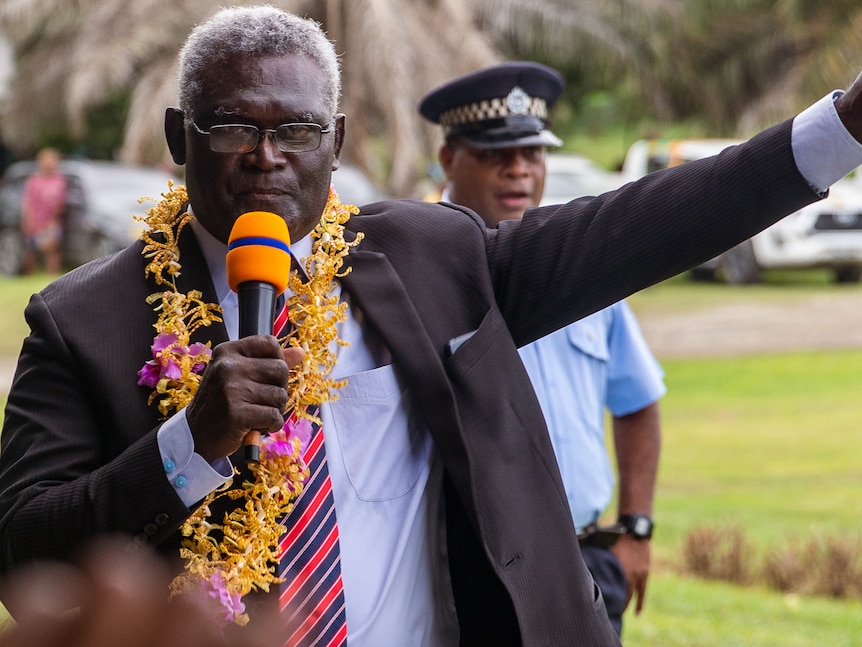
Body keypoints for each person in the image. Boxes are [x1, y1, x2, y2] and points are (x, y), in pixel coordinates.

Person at [2, 5, 862, 646]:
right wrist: (192, 441)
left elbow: (645, 223)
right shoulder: (82, 323)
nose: (267, 156)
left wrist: (842, 129)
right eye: (234, 127)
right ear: (177, 134)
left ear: (334, 142)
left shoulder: (433, 255)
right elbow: (22, 555)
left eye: (296, 129)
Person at [418, 61, 664, 636]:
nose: (519, 170)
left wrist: (636, 529)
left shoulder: (583, 273)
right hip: (473, 572)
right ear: (450, 158)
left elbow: (637, 401)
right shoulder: (416, 275)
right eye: (494, 154)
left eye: (532, 153)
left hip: (588, 562)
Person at [19, 147, 67, 275]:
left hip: (52, 222)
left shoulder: (59, 180)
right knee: (31, 252)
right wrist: (28, 223)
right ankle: (29, 276)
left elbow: (61, 203)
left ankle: (51, 277)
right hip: (35, 222)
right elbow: (28, 204)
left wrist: (53, 219)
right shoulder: (34, 181)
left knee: (52, 250)